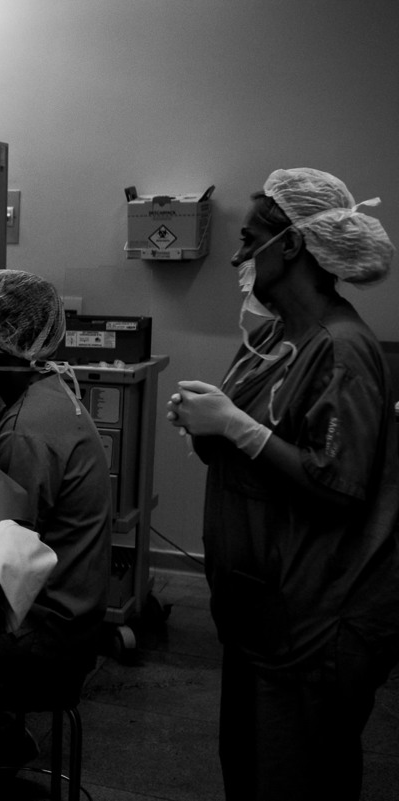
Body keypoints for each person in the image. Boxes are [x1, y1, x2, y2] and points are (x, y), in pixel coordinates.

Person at [166, 168, 399, 801]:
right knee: (249, 771)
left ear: (291, 244)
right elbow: (254, 453)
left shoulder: (341, 348)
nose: (238, 257)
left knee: (296, 780)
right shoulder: (271, 337)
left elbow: (340, 485)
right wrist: (208, 426)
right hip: (258, 608)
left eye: (249, 240)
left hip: (314, 619)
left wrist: (236, 427)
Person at [0, 270, 112, 774]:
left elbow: (1, 559)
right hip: (72, 621)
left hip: (43, 640)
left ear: (4, 342)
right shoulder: (51, 393)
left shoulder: (26, 433)